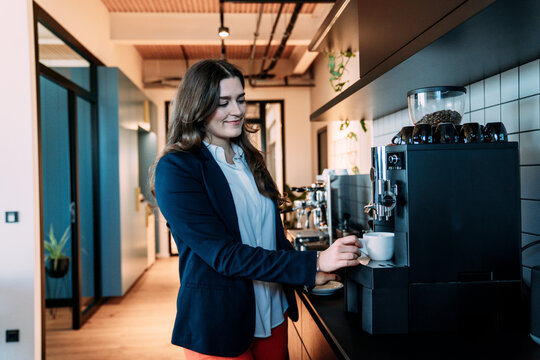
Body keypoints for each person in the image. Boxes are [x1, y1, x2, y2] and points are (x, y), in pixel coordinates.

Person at [151, 59, 362, 360]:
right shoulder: (176, 168)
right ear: (196, 106)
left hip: (273, 312)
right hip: (220, 322)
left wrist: (309, 274)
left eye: (240, 99)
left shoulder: (249, 160)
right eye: (222, 103)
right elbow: (224, 255)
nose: (236, 111)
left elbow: (273, 239)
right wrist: (314, 262)